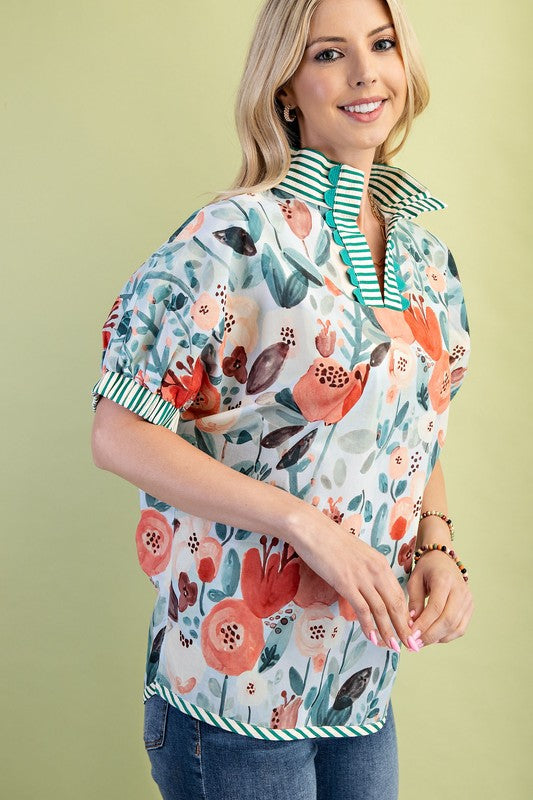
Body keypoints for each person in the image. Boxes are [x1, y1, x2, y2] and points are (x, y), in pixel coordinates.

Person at [91, 0, 474, 797]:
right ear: (285, 89)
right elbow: (118, 432)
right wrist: (304, 526)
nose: (365, 72)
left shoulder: (427, 259)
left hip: (358, 688)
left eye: (381, 44)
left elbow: (416, 429)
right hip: (230, 697)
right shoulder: (232, 237)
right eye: (328, 53)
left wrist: (436, 546)